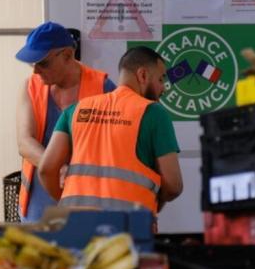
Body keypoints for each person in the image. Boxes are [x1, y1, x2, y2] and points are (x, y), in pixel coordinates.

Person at [38, 46, 183, 217]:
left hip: (73, 224)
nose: (163, 88)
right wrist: (154, 202)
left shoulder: (75, 110)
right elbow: (173, 185)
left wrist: (65, 201)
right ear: (143, 75)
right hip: (128, 228)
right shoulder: (154, 113)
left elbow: (46, 169)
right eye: (160, 79)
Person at [15, 21, 115, 222]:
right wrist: (58, 169)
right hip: (38, 207)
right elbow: (25, 142)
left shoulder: (104, 89)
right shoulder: (31, 87)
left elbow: (116, 151)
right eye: (32, 64)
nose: (36, 72)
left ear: (68, 55)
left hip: (87, 204)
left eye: (43, 63)